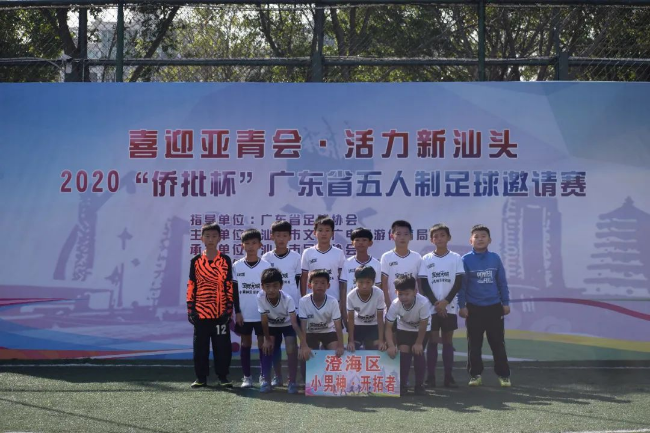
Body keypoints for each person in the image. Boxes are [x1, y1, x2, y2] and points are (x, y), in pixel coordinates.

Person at [458, 224, 512, 387]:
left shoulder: (495, 258)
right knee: (474, 344)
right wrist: (462, 306)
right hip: (473, 308)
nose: (480, 239)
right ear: (471, 240)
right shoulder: (465, 260)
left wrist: (505, 303)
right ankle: (475, 375)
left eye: (483, 236)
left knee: (497, 343)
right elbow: (462, 286)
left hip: (494, 307)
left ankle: (504, 375)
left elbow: (502, 282)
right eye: (476, 236)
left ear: (490, 240)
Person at [186, 222, 234, 388]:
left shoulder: (225, 260)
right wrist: (190, 309)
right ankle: (201, 378)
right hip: (201, 312)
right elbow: (191, 285)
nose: (211, 239)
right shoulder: (196, 261)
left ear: (220, 238)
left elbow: (228, 285)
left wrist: (228, 309)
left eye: (214, 236)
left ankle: (223, 377)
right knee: (200, 347)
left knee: (222, 347)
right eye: (207, 236)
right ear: (201, 238)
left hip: (220, 313)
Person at [418, 223, 464, 388]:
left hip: (449, 307)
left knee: (447, 341)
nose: (439, 239)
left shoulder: (456, 258)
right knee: (432, 341)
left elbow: (458, 282)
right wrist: (436, 304)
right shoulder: (426, 259)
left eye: (442, 235)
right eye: (435, 236)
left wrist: (446, 302)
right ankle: (430, 377)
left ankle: (448, 377)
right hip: (431, 308)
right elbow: (424, 284)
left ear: (448, 238)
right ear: (431, 240)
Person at [261, 220, 302, 387]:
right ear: (272, 237)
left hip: (292, 309)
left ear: (290, 237)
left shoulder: (296, 257)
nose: (281, 239)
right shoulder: (266, 258)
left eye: (285, 235)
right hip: (272, 311)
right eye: (278, 235)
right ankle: (277, 376)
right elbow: (265, 282)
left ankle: (292, 380)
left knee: (291, 346)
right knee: (274, 345)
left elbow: (298, 281)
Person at [232, 228, 271, 388]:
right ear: (242, 245)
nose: (250, 246)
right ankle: (247, 377)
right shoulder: (237, 266)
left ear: (260, 245)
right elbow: (234, 291)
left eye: (254, 243)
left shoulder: (266, 266)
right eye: (247, 243)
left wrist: (267, 312)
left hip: (261, 314)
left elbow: (270, 291)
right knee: (245, 343)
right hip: (244, 314)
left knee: (263, 344)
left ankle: (264, 376)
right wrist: (237, 312)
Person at [257, 268, 301, 394]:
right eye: (267, 286)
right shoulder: (260, 297)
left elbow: (294, 323)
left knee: (291, 347)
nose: (271, 289)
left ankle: (292, 381)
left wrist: (303, 343)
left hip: (288, 325)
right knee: (268, 347)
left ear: (281, 286)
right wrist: (266, 339)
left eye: (275, 286)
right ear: (262, 287)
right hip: (271, 325)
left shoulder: (288, 299)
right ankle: (269, 380)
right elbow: (264, 320)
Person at [385, 275, 431, 396]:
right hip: (404, 328)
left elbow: (423, 324)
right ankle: (402, 384)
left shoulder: (423, 302)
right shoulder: (395, 304)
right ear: (396, 292)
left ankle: (419, 385)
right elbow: (388, 327)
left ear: (415, 292)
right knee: (404, 354)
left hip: (422, 330)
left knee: (418, 352)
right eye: (400, 294)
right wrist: (391, 345)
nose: (403, 297)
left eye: (407, 294)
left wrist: (419, 343)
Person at [298, 269, 345, 363]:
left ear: (328, 285)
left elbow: (338, 325)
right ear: (309, 285)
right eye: (316, 283)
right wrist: (303, 345)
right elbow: (303, 326)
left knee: (336, 353)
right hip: (310, 333)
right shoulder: (303, 301)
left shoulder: (333, 301)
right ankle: (304, 374)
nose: (319, 286)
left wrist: (341, 345)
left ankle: (325, 348)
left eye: (323, 283)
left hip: (328, 332)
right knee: (306, 354)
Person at [339, 227, 382, 326]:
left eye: (364, 240)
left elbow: (378, 288)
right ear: (352, 243)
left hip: (371, 311)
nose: (361, 243)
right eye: (357, 240)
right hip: (352, 310)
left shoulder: (376, 264)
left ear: (370, 243)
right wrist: (344, 313)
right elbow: (343, 289)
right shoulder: (347, 263)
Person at [300, 215, 345, 305]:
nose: (324, 234)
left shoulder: (339, 253)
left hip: (334, 300)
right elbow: (304, 278)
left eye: (327, 230)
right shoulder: (308, 252)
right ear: (314, 232)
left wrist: (342, 301)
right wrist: (304, 298)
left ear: (332, 233)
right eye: (320, 230)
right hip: (312, 300)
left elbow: (342, 279)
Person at [380, 220, 422, 307]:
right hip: (393, 303)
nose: (402, 237)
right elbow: (384, 283)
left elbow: (420, 282)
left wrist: (420, 302)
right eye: (398, 234)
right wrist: (388, 303)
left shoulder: (417, 257)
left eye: (406, 234)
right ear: (392, 236)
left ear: (411, 236)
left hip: (413, 304)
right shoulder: (386, 257)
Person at [346, 266, 386, 351]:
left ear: (373, 282)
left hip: (373, 326)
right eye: (361, 282)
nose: (364, 286)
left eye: (368, 282)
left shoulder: (379, 293)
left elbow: (380, 318)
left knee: (377, 348)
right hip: (358, 326)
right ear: (356, 281)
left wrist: (381, 340)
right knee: (352, 349)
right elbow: (350, 319)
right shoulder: (351, 296)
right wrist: (351, 341)